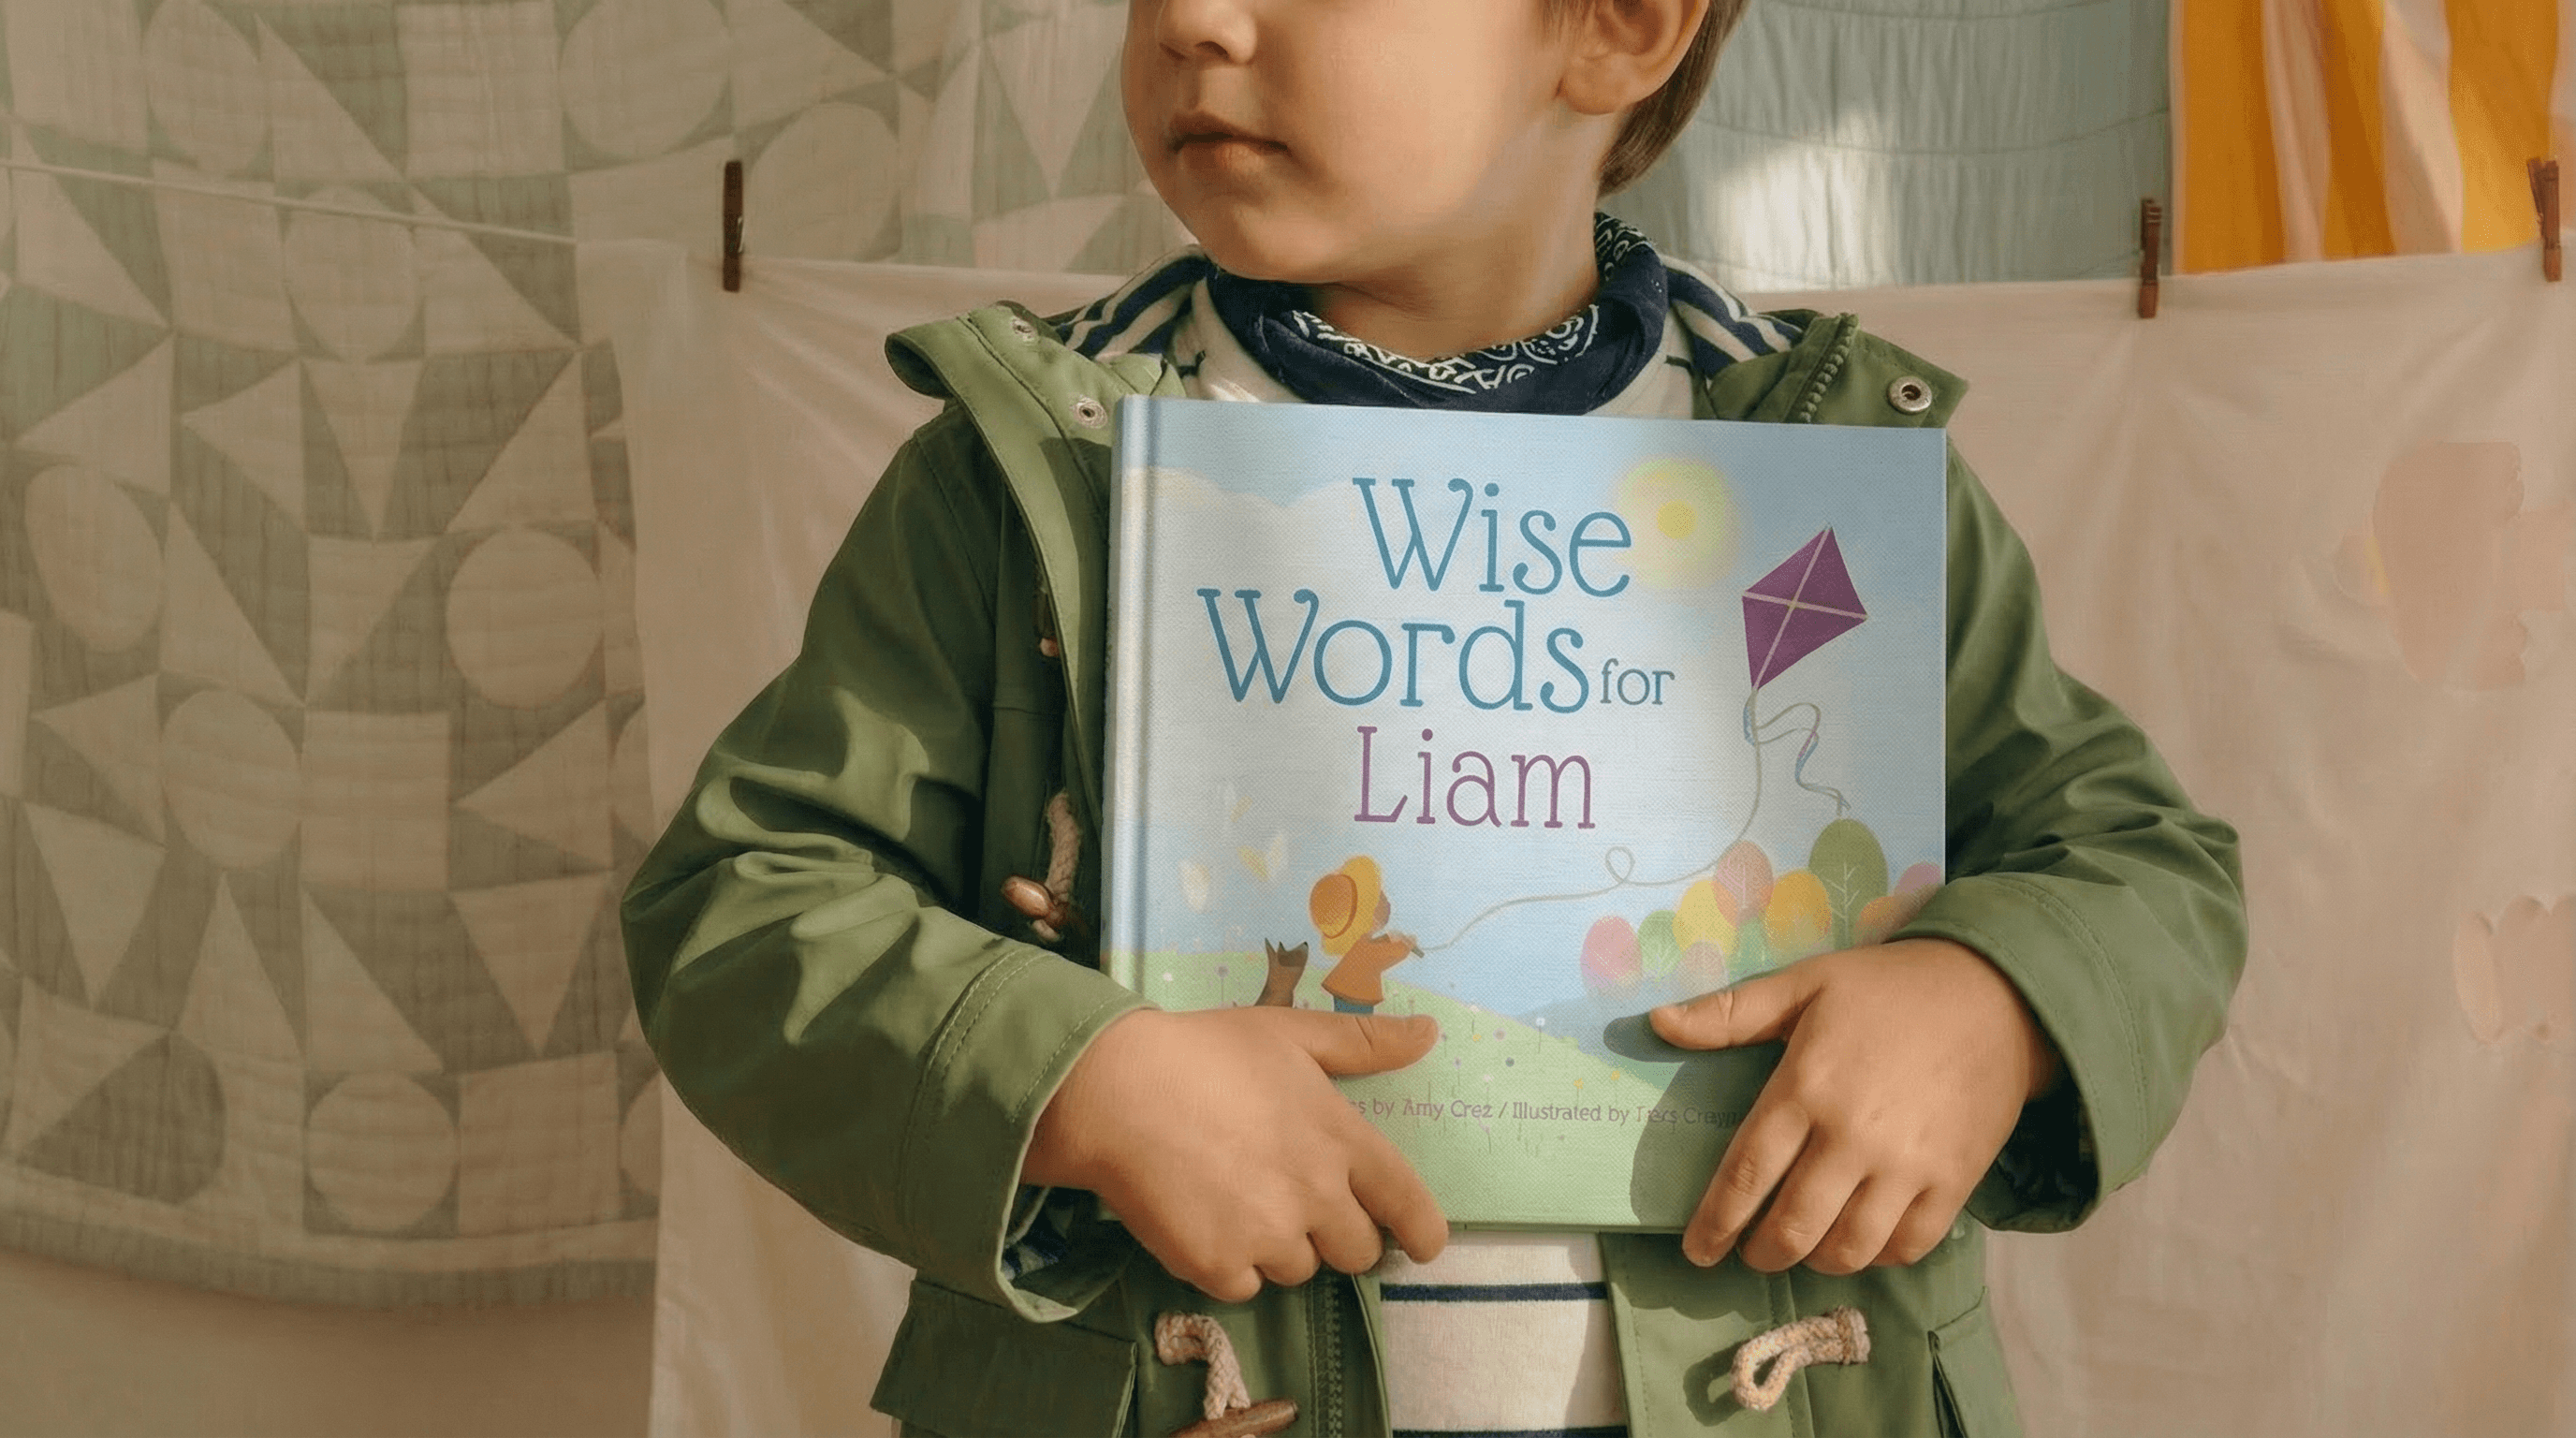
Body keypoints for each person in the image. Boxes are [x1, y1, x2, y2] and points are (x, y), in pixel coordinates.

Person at [621, 0, 2247, 1431]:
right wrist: (1078, 1080)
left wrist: (1993, 997)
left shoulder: (1824, 473)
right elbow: (744, 909)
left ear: (1617, 26)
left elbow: (2139, 866)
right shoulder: (1039, 466)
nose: (1193, 19)